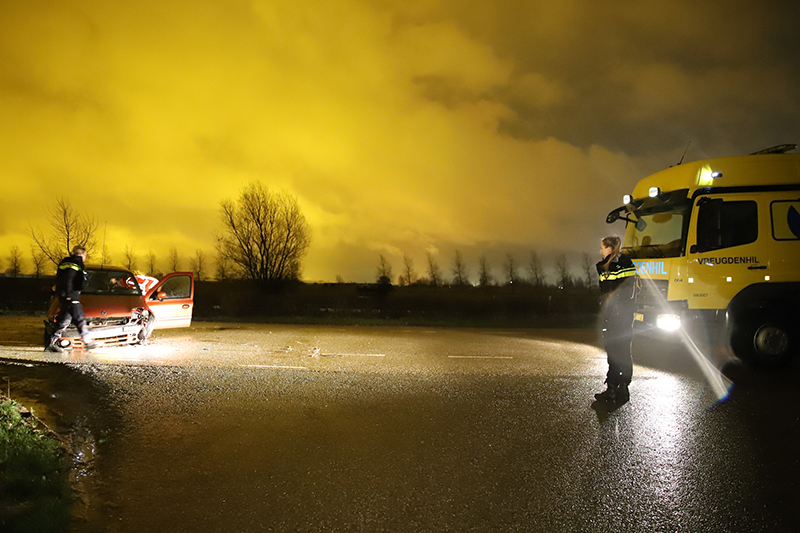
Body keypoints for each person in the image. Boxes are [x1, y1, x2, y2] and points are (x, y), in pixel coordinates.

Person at [594, 235, 637, 403]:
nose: (600, 251)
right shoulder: (627, 263)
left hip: (614, 316)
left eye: (602, 248)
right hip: (627, 314)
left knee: (613, 350)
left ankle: (611, 388)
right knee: (624, 350)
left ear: (609, 248)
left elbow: (609, 294)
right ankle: (623, 387)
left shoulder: (609, 267)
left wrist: (607, 314)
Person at [46, 245, 97, 352]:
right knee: (80, 318)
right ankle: (88, 342)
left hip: (66, 295)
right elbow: (68, 280)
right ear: (82, 254)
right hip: (70, 295)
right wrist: (69, 295)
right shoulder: (73, 264)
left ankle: (50, 343)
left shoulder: (69, 263)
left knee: (64, 320)